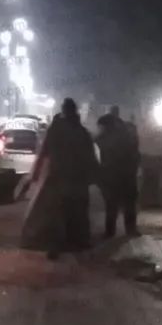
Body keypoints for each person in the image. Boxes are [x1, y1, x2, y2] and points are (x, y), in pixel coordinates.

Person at [30, 98, 99, 259]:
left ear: (63, 111)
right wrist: (94, 176)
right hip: (77, 179)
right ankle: (79, 242)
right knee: (78, 211)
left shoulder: (55, 131)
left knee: (56, 213)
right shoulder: (82, 132)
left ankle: (55, 246)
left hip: (58, 177)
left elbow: (44, 152)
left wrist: (36, 172)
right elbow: (90, 156)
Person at [96, 106, 140, 237]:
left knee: (112, 205)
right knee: (128, 204)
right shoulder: (127, 136)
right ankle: (130, 230)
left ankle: (110, 231)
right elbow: (136, 156)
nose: (100, 129)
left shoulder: (103, 139)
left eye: (101, 127)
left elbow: (98, 159)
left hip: (113, 177)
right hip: (127, 177)